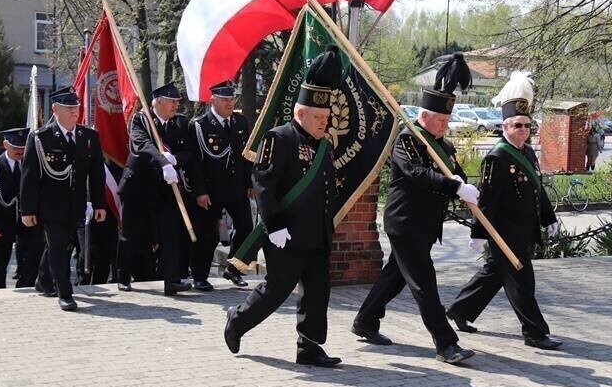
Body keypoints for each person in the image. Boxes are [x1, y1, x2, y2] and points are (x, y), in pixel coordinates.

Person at [351, 53, 478, 365]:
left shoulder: (444, 147)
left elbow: (456, 176)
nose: (446, 126)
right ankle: (446, 343)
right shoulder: (408, 140)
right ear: (424, 117)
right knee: (424, 284)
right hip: (405, 223)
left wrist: (471, 191)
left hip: (425, 226)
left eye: (448, 121)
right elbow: (418, 175)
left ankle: (365, 320)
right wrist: (453, 186)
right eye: (441, 120)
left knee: (394, 277)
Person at [224, 45, 342, 368]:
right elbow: (263, 183)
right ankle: (238, 320)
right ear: (300, 114)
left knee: (318, 293)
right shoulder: (279, 138)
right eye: (318, 117)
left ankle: (310, 346)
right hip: (286, 235)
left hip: (317, 234)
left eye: (326, 117)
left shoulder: (323, 146)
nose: (323, 123)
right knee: (277, 289)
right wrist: (274, 224)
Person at [447, 71, 563, 350]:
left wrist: (549, 219)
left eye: (526, 125)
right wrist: (479, 233)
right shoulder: (497, 158)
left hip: (525, 229)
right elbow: (487, 201)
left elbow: (538, 190)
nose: (523, 129)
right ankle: (534, 333)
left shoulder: (528, 153)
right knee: (522, 279)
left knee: (493, 274)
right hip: (505, 233)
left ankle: (460, 310)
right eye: (517, 125)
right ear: (505, 127)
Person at [20, 87, 106, 311]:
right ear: (55, 109)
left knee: (62, 245)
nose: (74, 112)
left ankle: (44, 280)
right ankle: (65, 293)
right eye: (69, 108)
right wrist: (27, 210)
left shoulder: (89, 137)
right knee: (58, 246)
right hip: (50, 206)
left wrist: (99, 204)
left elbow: (96, 175)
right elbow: (29, 177)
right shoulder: (41, 138)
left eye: (76, 108)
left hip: (76, 205)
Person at [116, 83, 195, 296]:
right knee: (131, 234)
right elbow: (141, 145)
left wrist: (175, 159)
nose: (175, 105)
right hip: (139, 186)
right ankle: (123, 275)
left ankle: (172, 281)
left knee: (170, 234)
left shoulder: (178, 124)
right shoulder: (141, 120)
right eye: (171, 101)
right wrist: (163, 162)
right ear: (158, 102)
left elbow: (189, 152)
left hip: (165, 188)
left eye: (177, 102)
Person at [188, 80, 253, 290]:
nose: (230, 103)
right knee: (208, 234)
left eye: (232, 98)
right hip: (211, 189)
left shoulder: (241, 122)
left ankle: (234, 269)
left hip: (236, 188)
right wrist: (200, 192)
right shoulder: (200, 125)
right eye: (225, 99)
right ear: (213, 100)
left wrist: (249, 182)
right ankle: (199, 276)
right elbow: (195, 163)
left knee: (246, 229)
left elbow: (246, 157)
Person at [0, 128, 44, 289]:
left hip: (27, 222)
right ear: (5, 145)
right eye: (16, 147)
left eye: (23, 147)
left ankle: (25, 286)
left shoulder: (33, 166)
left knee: (32, 258)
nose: (20, 151)